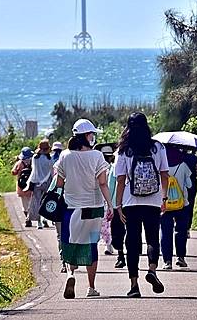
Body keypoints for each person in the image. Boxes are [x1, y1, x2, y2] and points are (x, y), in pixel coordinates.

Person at [54, 118, 113, 299]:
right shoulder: (96, 156)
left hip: (71, 208)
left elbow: (59, 183)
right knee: (90, 245)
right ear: (86, 136)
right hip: (93, 208)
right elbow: (103, 183)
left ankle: (71, 274)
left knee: (72, 243)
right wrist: (110, 204)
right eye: (92, 134)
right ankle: (91, 287)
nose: (93, 137)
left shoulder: (65, 155)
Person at [115, 112, 169, 298]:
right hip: (153, 201)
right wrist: (164, 198)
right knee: (153, 238)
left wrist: (118, 205)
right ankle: (152, 270)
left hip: (131, 202)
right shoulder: (157, 147)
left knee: (132, 242)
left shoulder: (124, 150)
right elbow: (164, 174)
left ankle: (134, 285)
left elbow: (120, 180)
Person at [161, 145, 192, 270]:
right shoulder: (183, 165)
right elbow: (189, 185)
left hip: (165, 204)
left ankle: (167, 261)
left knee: (165, 232)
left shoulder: (161, 166)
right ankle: (181, 258)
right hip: (182, 204)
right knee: (181, 231)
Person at [26, 139, 53, 229]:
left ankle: (38, 222)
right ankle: (44, 219)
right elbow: (51, 172)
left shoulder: (35, 158)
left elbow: (34, 170)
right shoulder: (50, 159)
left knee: (36, 202)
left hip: (36, 182)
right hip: (47, 183)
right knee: (45, 202)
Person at [96, 144, 116, 255]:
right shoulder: (112, 167)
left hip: (100, 198)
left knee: (103, 223)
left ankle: (107, 245)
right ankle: (109, 245)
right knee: (109, 223)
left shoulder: (98, 167)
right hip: (110, 198)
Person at [183, 150, 197, 237]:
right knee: (190, 205)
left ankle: (177, 225)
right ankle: (187, 229)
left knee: (175, 204)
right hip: (191, 185)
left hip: (176, 184)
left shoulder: (175, 156)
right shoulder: (193, 158)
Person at [11, 147, 34, 227]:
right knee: (31, 203)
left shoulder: (19, 163)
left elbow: (13, 172)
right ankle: (29, 217)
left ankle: (27, 219)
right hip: (30, 185)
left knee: (24, 204)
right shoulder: (32, 162)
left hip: (21, 186)